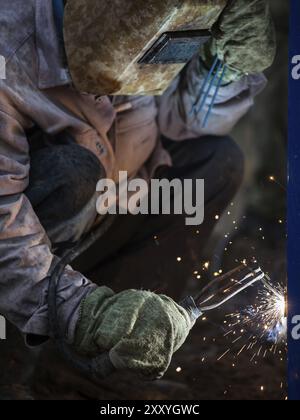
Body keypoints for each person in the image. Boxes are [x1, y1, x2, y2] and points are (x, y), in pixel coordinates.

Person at [0, 0, 275, 383]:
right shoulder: (9, 48)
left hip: (109, 209)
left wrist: (224, 69)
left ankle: (110, 367)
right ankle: (38, 341)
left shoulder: (139, 17)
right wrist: (86, 313)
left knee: (215, 161)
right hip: (32, 256)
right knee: (76, 174)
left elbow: (176, 125)